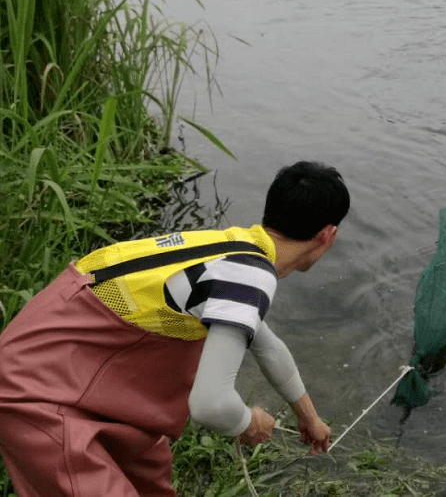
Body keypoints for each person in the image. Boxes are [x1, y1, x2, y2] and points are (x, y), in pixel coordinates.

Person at [0, 160, 350, 497]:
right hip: (36, 391)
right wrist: (247, 421)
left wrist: (309, 419)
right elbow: (210, 404)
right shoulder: (250, 274)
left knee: (150, 480)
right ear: (328, 235)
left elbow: (266, 344)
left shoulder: (230, 249)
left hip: (77, 371)